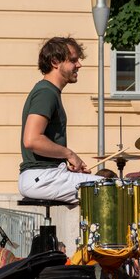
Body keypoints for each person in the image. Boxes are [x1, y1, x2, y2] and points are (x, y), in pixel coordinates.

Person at [18, 37, 102, 203]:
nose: (79, 65)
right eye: (73, 60)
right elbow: (32, 140)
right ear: (55, 61)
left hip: (44, 175)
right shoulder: (46, 93)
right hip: (41, 177)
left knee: (105, 188)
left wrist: (66, 166)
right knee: (111, 189)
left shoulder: (48, 91)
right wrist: (70, 154)